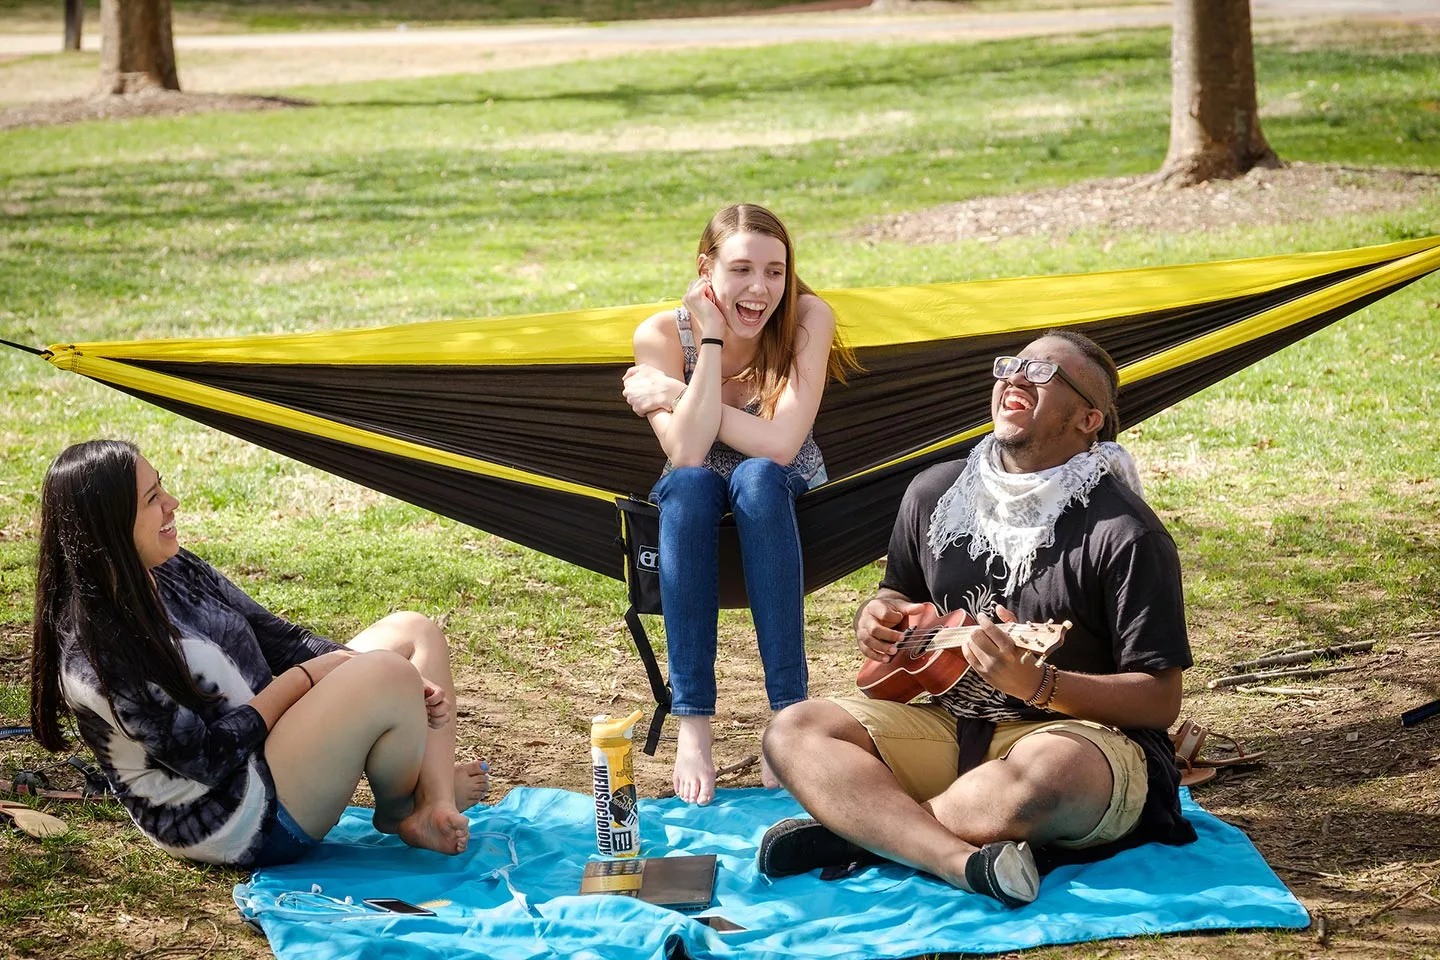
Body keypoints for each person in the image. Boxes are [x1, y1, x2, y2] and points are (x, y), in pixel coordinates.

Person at [758, 330, 1196, 907]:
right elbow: (897, 593)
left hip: (1079, 742)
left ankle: (866, 830)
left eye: (1042, 373)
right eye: (1012, 365)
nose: (1016, 376)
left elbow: (1160, 699)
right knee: (793, 731)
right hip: (948, 727)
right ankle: (960, 861)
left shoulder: (1125, 533)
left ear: (1089, 420)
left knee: (1052, 773)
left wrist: (1041, 684)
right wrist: (876, 616)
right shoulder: (935, 492)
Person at [29, 439, 489, 869]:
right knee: (389, 672)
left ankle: (432, 802)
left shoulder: (171, 567)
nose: (172, 503)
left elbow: (279, 639)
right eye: (152, 499)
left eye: (161, 486)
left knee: (414, 632)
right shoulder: (96, 653)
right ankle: (400, 807)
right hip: (233, 811)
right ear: (108, 528)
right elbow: (206, 760)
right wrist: (312, 680)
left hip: (270, 741)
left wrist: (344, 665)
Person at [621, 203, 855, 805]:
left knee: (753, 477)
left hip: (776, 486)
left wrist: (676, 391)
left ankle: (788, 718)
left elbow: (780, 445)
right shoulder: (660, 335)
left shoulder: (807, 319)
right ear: (707, 269)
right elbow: (689, 453)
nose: (760, 289)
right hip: (693, 496)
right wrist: (713, 340)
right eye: (743, 269)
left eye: (775, 271)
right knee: (691, 489)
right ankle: (693, 722)